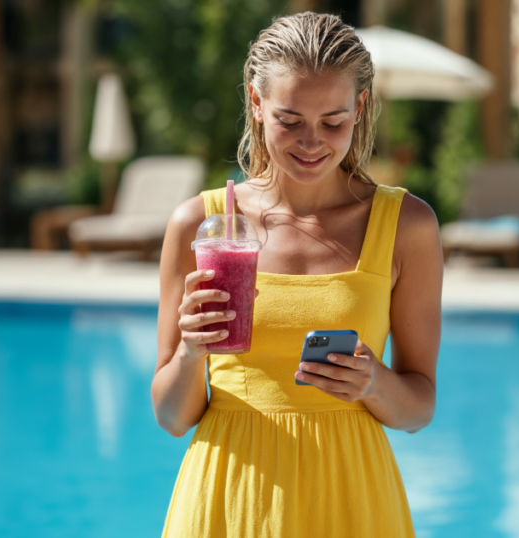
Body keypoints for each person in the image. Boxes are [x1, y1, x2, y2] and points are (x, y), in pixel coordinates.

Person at [152, 12, 443, 537]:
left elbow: (419, 409)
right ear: (257, 103)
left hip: (352, 503)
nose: (312, 142)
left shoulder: (406, 226)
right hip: (228, 501)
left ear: (360, 107)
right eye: (290, 120)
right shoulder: (201, 223)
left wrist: (374, 382)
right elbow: (172, 418)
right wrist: (190, 352)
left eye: (333, 121)